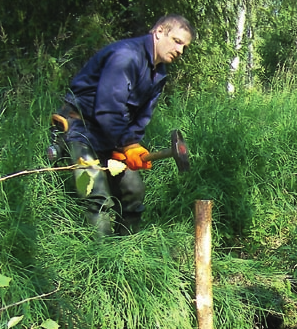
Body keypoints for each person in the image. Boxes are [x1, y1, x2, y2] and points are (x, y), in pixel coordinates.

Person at [55, 14, 194, 236]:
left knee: (134, 191)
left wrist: (131, 147)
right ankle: (101, 262)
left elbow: (141, 116)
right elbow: (108, 108)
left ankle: (125, 254)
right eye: (177, 41)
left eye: (184, 47)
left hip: (110, 136)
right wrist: (127, 145)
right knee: (97, 197)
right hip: (80, 131)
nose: (180, 51)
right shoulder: (126, 56)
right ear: (159, 32)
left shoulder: (159, 73)